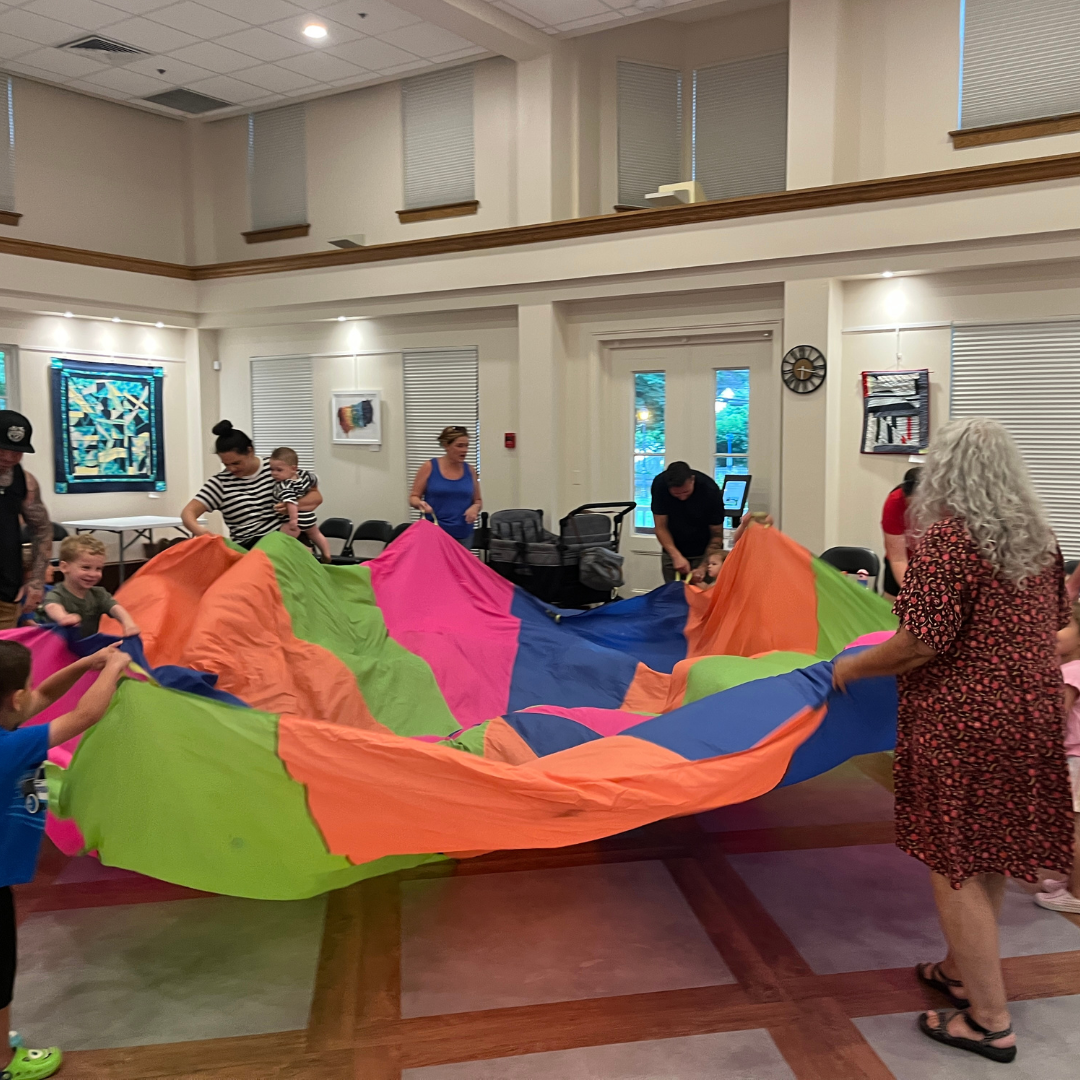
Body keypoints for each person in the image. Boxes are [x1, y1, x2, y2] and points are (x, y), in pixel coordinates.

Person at [832, 418, 1073, 1065]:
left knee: (955, 862)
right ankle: (962, 971)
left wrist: (853, 665)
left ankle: (989, 1021)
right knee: (985, 849)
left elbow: (921, 644)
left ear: (946, 475)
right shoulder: (1041, 543)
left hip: (964, 721)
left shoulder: (947, 541)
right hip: (1029, 714)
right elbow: (1054, 631)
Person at [0, 639, 132, 1079]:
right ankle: (3, 1062)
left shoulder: (9, 730)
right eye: (26, 689)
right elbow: (84, 715)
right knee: (0, 974)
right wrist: (112, 668)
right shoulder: (9, 747)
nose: (33, 695)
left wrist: (86, 664)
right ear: (13, 699)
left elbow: (42, 698)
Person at [181, 421, 322, 550]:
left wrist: (293, 505)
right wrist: (202, 532)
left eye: (236, 463)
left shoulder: (276, 469)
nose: (232, 469)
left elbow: (316, 497)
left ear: (250, 451)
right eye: (226, 464)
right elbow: (188, 513)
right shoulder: (221, 483)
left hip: (284, 537)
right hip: (249, 547)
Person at [1034, 605, 1080, 913]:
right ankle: (1072, 883)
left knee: (1074, 829)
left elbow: (1053, 719)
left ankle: (1076, 895)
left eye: (1061, 627)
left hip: (1074, 759)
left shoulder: (1070, 671)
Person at [0, 412, 51, 632]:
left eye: (17, 452)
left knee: (5, 660)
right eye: (2, 450)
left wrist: (36, 582)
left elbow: (42, 531)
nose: (9, 458)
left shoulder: (25, 481)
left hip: (6, 587)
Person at [40, 536, 140, 638]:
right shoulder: (57, 594)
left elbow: (116, 608)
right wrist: (63, 617)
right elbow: (52, 606)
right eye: (86, 568)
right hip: (59, 646)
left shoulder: (98, 594)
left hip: (86, 646)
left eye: (98, 569)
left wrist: (128, 623)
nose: (93, 574)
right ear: (65, 567)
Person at [650, 461, 725, 583]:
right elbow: (660, 527)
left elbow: (716, 534)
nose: (682, 497)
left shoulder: (709, 490)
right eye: (676, 494)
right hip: (672, 547)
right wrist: (676, 556)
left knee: (703, 594)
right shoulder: (660, 486)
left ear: (692, 480)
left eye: (685, 492)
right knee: (672, 595)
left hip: (704, 550)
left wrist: (703, 566)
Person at [408, 427, 482, 547]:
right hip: (434, 532)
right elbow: (414, 497)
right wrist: (420, 504)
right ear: (446, 445)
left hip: (462, 533)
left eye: (466, 446)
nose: (465, 450)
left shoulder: (470, 471)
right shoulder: (429, 467)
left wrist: (475, 507)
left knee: (458, 566)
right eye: (460, 446)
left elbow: (478, 500)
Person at [268, 448, 332, 562]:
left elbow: (291, 503)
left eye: (279, 470)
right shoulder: (303, 476)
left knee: (282, 538)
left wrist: (293, 520)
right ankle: (326, 554)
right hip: (308, 515)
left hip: (293, 519)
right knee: (316, 534)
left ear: (293, 468)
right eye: (272, 469)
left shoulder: (285, 485)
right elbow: (315, 479)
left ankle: (299, 553)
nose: (274, 473)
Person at [880, 466, 921, 598]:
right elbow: (898, 559)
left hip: (931, 563)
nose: (914, 512)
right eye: (910, 506)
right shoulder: (895, 502)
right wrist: (912, 592)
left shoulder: (945, 504)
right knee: (890, 610)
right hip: (901, 562)